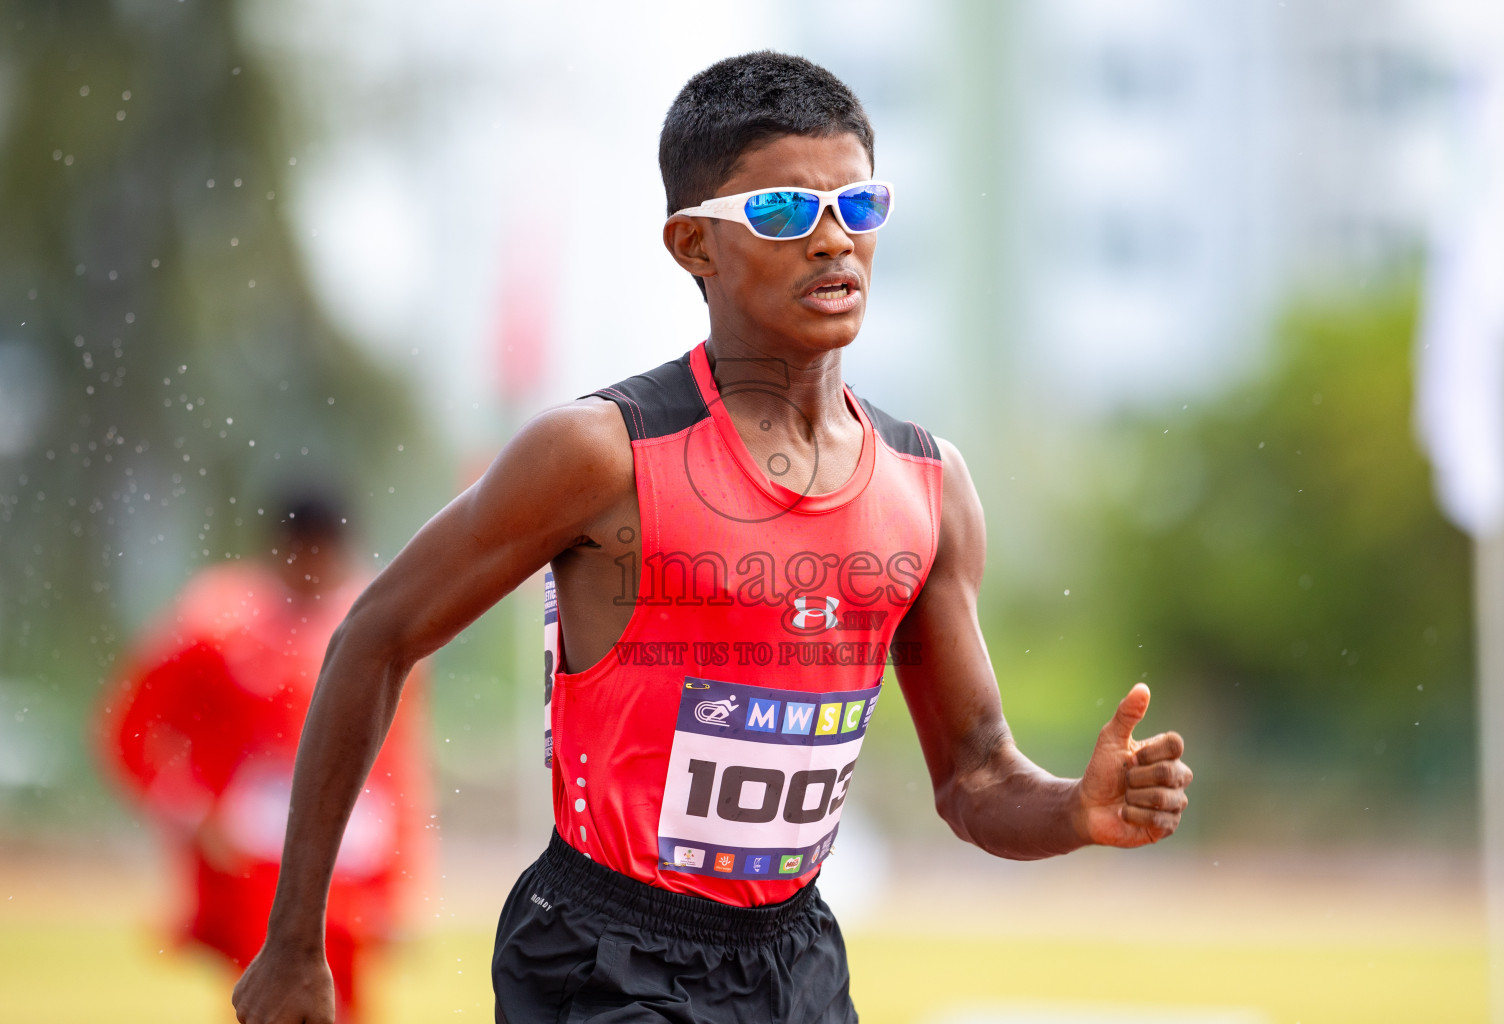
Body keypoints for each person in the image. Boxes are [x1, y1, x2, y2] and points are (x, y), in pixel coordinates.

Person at [232, 52, 1193, 1024]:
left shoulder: (929, 486)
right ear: (694, 245)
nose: (832, 244)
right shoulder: (600, 454)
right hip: (603, 954)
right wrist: (293, 938)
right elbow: (375, 636)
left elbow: (978, 774)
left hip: (795, 959)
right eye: (782, 214)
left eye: (858, 209)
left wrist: (1074, 808)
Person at [100, 491, 431, 1024]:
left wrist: (402, 878)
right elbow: (132, 727)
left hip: (351, 862)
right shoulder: (218, 625)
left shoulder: (377, 630)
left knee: (344, 1004)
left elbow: (400, 764)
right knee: (268, 997)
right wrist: (190, 809)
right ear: (282, 550)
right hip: (253, 858)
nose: (313, 569)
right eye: (304, 553)